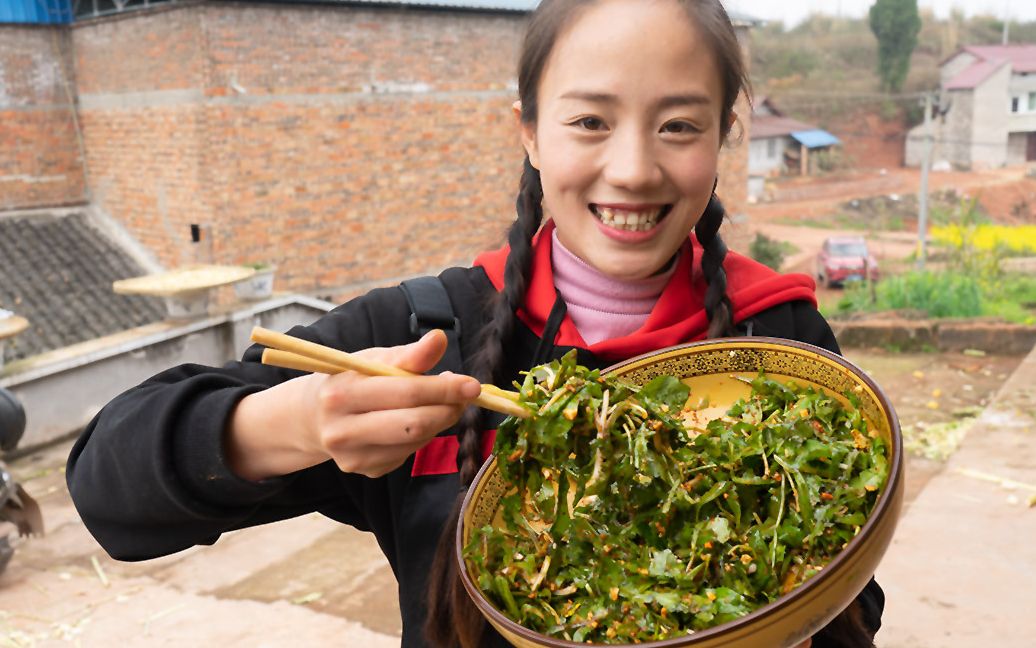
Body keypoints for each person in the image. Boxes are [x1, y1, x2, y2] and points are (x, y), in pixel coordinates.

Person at [66, 1, 883, 647]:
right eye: (589, 121)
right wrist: (293, 423)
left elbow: (855, 592)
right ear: (528, 130)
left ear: (722, 135)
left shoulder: (781, 344)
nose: (634, 169)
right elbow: (107, 486)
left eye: (679, 125)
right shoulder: (424, 334)